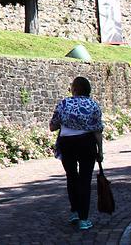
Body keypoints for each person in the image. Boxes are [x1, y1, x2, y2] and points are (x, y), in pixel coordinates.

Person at [50, 76, 104, 231]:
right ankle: (84, 218)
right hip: (87, 142)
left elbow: (52, 127)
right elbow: (97, 131)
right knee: (85, 180)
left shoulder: (64, 103)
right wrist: (100, 151)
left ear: (74, 89)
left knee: (72, 177)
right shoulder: (93, 105)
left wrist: (64, 121)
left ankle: (74, 211)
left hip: (67, 144)